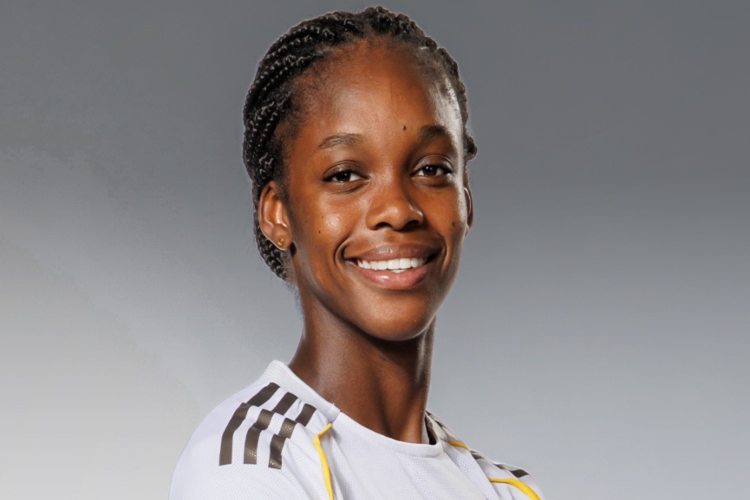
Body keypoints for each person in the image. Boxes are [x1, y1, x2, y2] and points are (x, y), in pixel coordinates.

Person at [170, 6, 543, 499]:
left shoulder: (506, 490)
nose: (398, 209)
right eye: (345, 175)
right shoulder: (251, 466)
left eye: (431, 169)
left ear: (466, 200)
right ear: (278, 214)